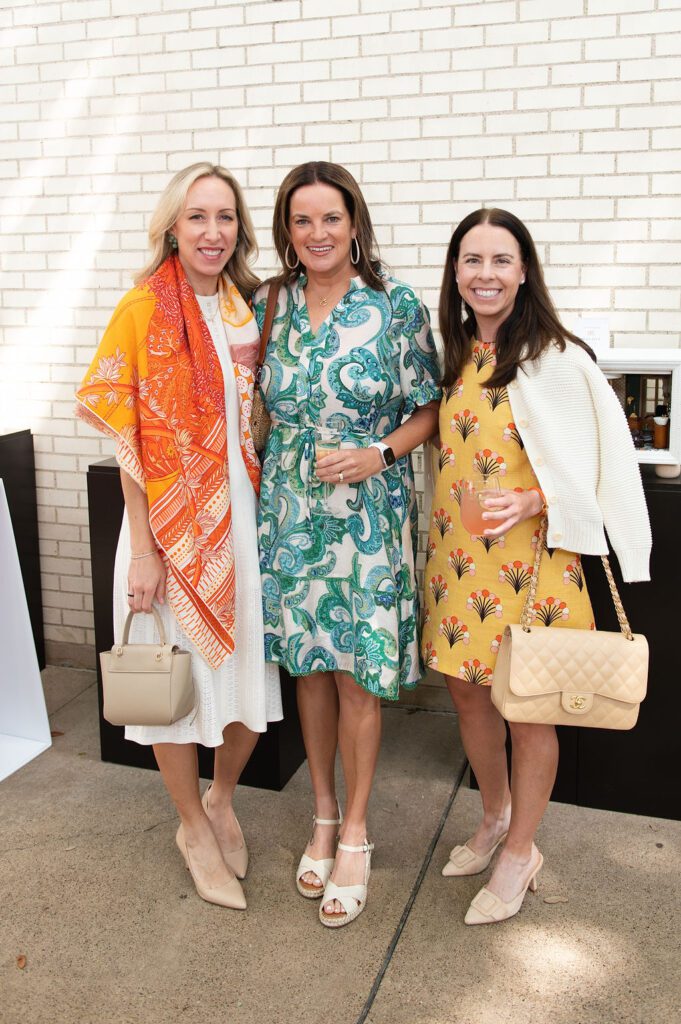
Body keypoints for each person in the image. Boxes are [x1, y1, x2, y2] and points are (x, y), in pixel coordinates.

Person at [421, 208, 651, 925]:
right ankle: (493, 817)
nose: (484, 274)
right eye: (471, 260)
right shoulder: (456, 352)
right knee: (465, 696)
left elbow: (603, 463)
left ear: (524, 270)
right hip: (459, 563)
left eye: (499, 260)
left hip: (533, 565)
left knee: (528, 712)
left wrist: (532, 497)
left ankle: (522, 849)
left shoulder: (557, 357)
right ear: (455, 274)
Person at [76, 163, 282, 910]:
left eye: (225, 217)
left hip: (245, 522)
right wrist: (144, 548)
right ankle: (191, 825)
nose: (212, 231)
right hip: (166, 528)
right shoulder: (142, 309)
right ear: (172, 225)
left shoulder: (247, 311)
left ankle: (222, 797)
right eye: (197, 216)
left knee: (245, 681)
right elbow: (127, 431)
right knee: (176, 692)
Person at [254, 161, 440, 927]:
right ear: (287, 232)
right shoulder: (269, 304)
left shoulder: (394, 305)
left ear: (354, 223)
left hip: (366, 505)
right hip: (291, 507)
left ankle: (357, 831)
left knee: (358, 673)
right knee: (310, 669)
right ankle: (322, 816)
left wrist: (379, 455)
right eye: (302, 221)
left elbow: (428, 409)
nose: (318, 233)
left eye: (330, 218)